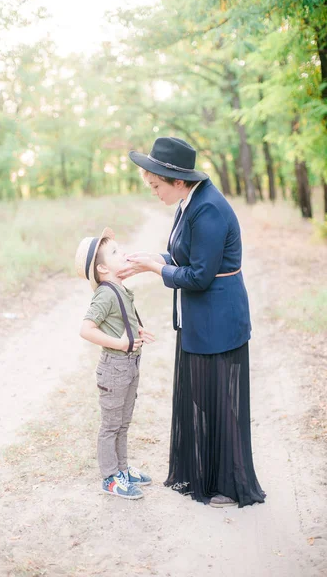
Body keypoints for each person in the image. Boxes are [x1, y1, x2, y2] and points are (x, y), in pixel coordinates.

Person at [117, 136, 266, 508]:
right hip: (201, 319)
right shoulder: (190, 202)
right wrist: (150, 259)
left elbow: (199, 276)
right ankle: (211, 476)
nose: (153, 192)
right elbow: (186, 253)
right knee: (203, 398)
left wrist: (156, 268)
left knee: (219, 400)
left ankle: (230, 485)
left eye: (155, 186)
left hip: (219, 319)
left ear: (177, 181)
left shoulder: (209, 208)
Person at [75, 227, 155, 500]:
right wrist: (121, 343)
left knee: (123, 423)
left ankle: (122, 468)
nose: (122, 253)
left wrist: (137, 333)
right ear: (102, 268)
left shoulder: (120, 288)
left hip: (130, 365)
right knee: (111, 426)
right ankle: (110, 477)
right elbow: (86, 329)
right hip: (114, 367)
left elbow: (122, 322)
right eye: (115, 252)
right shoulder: (105, 293)